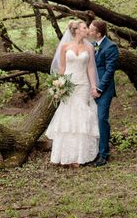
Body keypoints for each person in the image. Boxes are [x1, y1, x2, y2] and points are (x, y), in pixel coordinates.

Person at [45, 20, 99, 166]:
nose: (87, 29)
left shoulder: (89, 47)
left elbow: (91, 68)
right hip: (68, 85)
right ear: (76, 30)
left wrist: (94, 86)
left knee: (82, 116)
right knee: (68, 117)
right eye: (84, 27)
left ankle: (80, 156)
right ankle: (65, 155)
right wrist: (58, 86)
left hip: (83, 85)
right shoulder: (64, 46)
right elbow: (61, 67)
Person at [87, 19, 118, 167]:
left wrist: (98, 89)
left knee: (102, 119)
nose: (88, 31)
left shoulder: (111, 47)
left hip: (104, 91)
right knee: (90, 120)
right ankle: (92, 151)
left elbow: (109, 71)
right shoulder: (92, 45)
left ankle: (104, 154)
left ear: (98, 33)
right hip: (90, 89)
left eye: (91, 29)